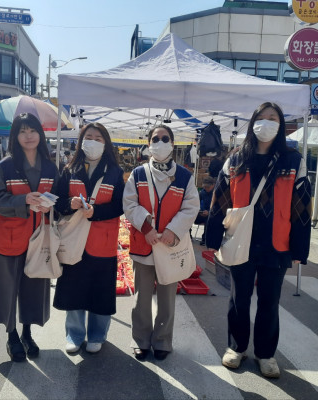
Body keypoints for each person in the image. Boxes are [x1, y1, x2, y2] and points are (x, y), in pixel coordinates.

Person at [206, 102, 311, 378]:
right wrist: (213, 237)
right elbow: (220, 198)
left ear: (281, 125)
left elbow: (302, 205)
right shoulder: (236, 159)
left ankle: (266, 354)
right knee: (238, 299)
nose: (267, 122)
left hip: (277, 244)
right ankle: (236, 347)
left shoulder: (293, 161)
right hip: (242, 241)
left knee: (269, 302)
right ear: (253, 123)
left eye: (273, 118)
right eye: (261, 118)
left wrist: (300, 248)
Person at [0, 113, 60, 362]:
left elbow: (58, 197)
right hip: (10, 238)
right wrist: (23, 201)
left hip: (38, 238)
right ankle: (12, 335)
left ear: (40, 134)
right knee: (8, 289)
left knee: (33, 288)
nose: (28, 136)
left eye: (33, 130)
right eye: (22, 131)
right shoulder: (6, 166)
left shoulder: (50, 167)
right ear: (15, 136)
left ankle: (27, 333)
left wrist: (51, 205)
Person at [123, 125, 199, 361]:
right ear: (149, 145)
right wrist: (146, 228)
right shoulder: (138, 174)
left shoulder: (185, 176)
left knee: (167, 297)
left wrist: (173, 230)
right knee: (142, 298)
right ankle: (141, 340)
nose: (160, 142)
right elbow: (129, 204)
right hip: (144, 244)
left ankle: (163, 340)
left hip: (169, 246)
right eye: (155, 139)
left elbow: (191, 206)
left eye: (165, 139)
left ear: (172, 144)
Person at [53, 122, 124, 354]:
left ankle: (97, 335)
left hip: (103, 240)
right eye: (89, 137)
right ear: (81, 141)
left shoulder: (115, 172)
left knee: (101, 291)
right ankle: (74, 334)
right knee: (74, 288)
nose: (93, 142)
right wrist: (69, 204)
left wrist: (97, 212)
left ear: (106, 143)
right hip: (75, 240)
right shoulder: (69, 169)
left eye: (98, 138)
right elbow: (58, 201)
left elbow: (120, 206)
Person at [194, 176, 215, 246]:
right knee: (189, 216)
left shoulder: (216, 193)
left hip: (212, 214)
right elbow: (196, 204)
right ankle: (188, 235)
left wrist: (209, 212)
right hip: (201, 213)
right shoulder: (202, 193)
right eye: (204, 187)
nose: (206, 188)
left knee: (208, 219)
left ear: (213, 185)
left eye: (208, 187)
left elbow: (217, 207)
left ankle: (205, 239)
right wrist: (199, 211)